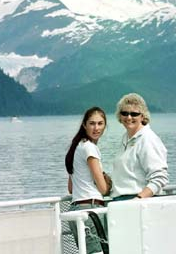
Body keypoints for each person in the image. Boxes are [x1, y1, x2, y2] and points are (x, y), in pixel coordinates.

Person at [65, 107, 112, 254]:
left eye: (100, 123)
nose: (96, 128)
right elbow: (103, 189)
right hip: (91, 211)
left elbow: (71, 189)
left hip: (76, 209)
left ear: (105, 125)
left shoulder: (76, 147)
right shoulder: (89, 148)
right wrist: (108, 181)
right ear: (84, 125)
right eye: (92, 123)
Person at [111, 93, 169, 201]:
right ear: (119, 115)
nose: (129, 117)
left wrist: (138, 199)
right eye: (124, 113)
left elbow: (160, 177)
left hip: (138, 202)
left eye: (134, 114)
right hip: (121, 201)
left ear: (142, 116)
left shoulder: (147, 139)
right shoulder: (126, 139)